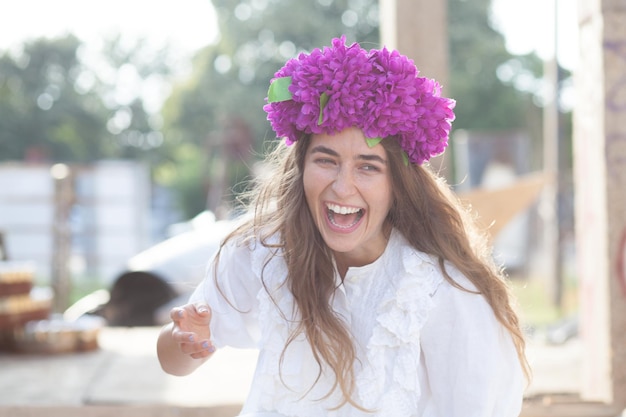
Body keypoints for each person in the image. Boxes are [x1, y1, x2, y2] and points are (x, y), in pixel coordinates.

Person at [157, 36, 530, 417]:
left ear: (397, 184)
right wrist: (186, 341)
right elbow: (174, 362)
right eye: (326, 160)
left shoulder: (440, 290)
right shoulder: (261, 254)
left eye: (368, 166)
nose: (342, 186)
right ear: (301, 167)